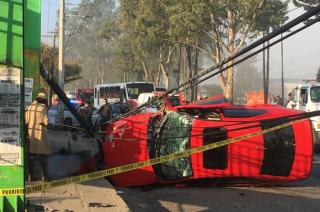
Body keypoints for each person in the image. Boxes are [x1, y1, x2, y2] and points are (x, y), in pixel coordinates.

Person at [25, 92, 49, 181]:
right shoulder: (43, 107)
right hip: (40, 135)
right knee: (42, 156)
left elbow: (26, 121)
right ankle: (43, 177)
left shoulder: (28, 107)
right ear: (43, 100)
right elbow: (46, 121)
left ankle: (30, 176)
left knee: (31, 155)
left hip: (30, 134)